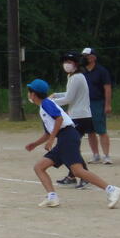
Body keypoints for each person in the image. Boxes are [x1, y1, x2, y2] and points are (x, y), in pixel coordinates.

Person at [24, 79, 120, 209]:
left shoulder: (46, 104)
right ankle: (52, 197)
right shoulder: (44, 107)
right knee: (39, 167)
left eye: (29, 92)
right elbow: (48, 132)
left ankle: (111, 190)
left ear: (33, 94)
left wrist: (51, 140)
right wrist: (35, 144)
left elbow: (59, 119)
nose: (28, 94)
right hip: (65, 138)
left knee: (77, 171)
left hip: (67, 137)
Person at [52, 53, 93, 189]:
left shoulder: (76, 77)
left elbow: (68, 99)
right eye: (65, 61)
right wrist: (56, 95)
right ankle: (72, 176)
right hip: (78, 116)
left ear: (76, 63)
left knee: (69, 146)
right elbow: (69, 94)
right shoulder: (73, 77)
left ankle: (84, 175)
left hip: (80, 117)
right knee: (70, 146)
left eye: (69, 62)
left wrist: (49, 102)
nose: (66, 64)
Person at [81, 47, 113, 164]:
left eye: (87, 56)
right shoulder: (82, 71)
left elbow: (107, 88)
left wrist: (107, 104)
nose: (85, 58)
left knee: (101, 129)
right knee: (90, 131)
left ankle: (106, 156)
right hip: (85, 103)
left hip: (97, 102)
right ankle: (95, 155)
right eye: (83, 56)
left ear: (93, 57)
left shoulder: (101, 71)